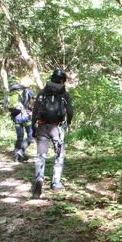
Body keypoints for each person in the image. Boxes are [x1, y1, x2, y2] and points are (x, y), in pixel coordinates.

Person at [31, 68, 73, 198]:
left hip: (42, 127)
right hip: (57, 128)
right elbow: (70, 112)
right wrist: (68, 123)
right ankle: (56, 183)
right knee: (59, 156)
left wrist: (33, 129)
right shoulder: (64, 94)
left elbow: (35, 112)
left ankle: (39, 179)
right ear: (62, 80)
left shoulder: (42, 92)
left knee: (41, 156)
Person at [7, 77, 35, 162]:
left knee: (19, 137)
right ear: (28, 84)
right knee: (30, 136)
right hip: (26, 116)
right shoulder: (29, 91)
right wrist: (32, 110)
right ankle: (21, 152)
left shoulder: (13, 92)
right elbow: (32, 103)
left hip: (16, 117)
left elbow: (6, 104)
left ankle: (16, 157)